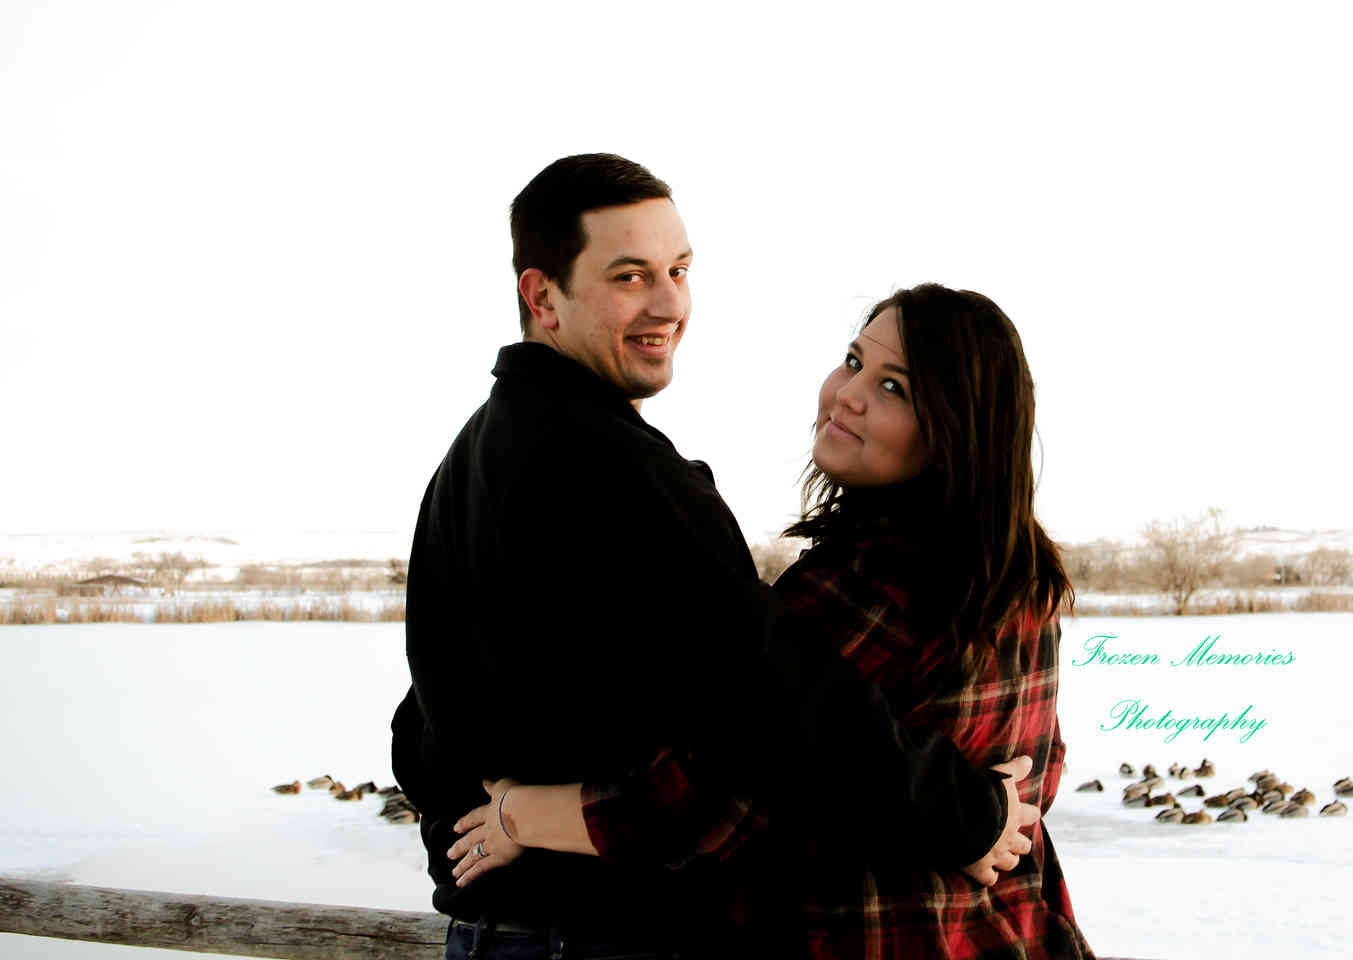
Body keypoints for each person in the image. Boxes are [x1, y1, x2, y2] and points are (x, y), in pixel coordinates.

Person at [392, 156, 1036, 959]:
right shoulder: (614, 468)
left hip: (514, 934)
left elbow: (422, 727)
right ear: (543, 297)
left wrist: (499, 817)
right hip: (603, 938)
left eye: (679, 270)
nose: (669, 303)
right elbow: (775, 699)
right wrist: (967, 816)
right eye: (630, 276)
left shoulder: (472, 458)